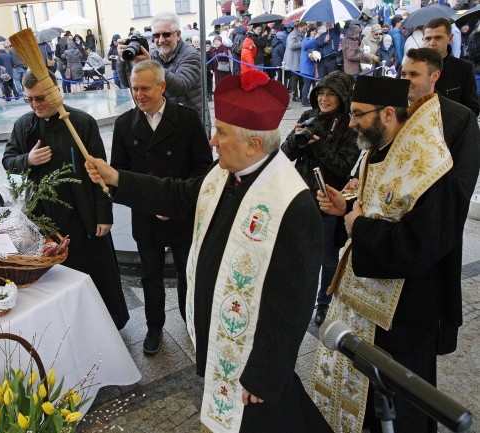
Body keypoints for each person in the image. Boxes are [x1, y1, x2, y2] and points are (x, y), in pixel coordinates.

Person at [85, 69, 333, 433]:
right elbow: (178, 194)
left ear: (253, 145)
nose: (213, 141)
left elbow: (292, 302)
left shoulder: (292, 205)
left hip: (253, 355)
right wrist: (118, 179)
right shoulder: (224, 175)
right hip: (219, 330)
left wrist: (265, 374)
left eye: (222, 133)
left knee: (266, 420)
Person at [310, 75, 471, 433]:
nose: (351, 122)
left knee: (404, 408)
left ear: (386, 114)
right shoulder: (379, 150)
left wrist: (357, 226)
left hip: (407, 314)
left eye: (357, 114)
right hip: (370, 308)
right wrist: (345, 208)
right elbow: (377, 209)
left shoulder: (428, 165)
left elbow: (420, 247)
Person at [1, 70, 129, 330]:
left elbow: (100, 170)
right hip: (45, 216)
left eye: (40, 99)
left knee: (95, 272)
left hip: (83, 214)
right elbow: (8, 160)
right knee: (57, 277)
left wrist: (104, 214)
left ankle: (108, 323)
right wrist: (27, 160)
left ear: (55, 91)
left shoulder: (81, 123)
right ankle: (69, 326)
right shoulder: (24, 126)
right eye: (29, 100)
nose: (35, 106)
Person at [110, 60, 213, 354]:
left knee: (186, 272)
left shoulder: (188, 119)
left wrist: (174, 200)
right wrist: (149, 200)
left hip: (181, 212)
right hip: (146, 216)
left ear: (162, 86)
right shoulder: (123, 125)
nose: (139, 95)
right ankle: (154, 327)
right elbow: (119, 175)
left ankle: (190, 322)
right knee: (150, 275)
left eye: (145, 88)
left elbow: (203, 169)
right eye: (134, 89)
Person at [281, 71, 360, 326]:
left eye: (331, 94)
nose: (324, 99)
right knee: (299, 252)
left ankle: (324, 302)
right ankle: (297, 297)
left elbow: (342, 166)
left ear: (342, 96)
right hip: (301, 196)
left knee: (327, 257)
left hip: (329, 201)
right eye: (321, 93)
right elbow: (286, 154)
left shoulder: (350, 125)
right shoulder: (308, 116)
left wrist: (318, 143)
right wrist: (296, 138)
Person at [400, 47, 480, 201]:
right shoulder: (392, 111)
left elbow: (464, 176)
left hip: (435, 208)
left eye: (414, 74)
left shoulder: (461, 117)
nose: (405, 79)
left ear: (434, 76)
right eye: (403, 74)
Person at [117, 11, 203, 116]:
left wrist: (150, 63)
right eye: (156, 35)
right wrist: (122, 60)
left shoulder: (191, 55)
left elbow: (180, 86)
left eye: (166, 34)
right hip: (164, 119)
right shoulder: (152, 55)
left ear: (178, 34)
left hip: (189, 122)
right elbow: (127, 83)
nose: (161, 40)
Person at [423, 17, 480, 115]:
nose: (432, 43)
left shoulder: (463, 69)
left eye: (438, 38)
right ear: (423, 39)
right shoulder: (410, 67)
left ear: (450, 38)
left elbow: (473, 108)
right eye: (428, 38)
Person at [283, 21, 306, 102]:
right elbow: (291, 45)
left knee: (300, 79)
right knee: (294, 79)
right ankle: (294, 96)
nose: (305, 28)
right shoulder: (293, 34)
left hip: (298, 60)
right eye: (304, 26)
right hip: (293, 60)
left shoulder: (301, 34)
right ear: (300, 26)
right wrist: (303, 43)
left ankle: (301, 96)